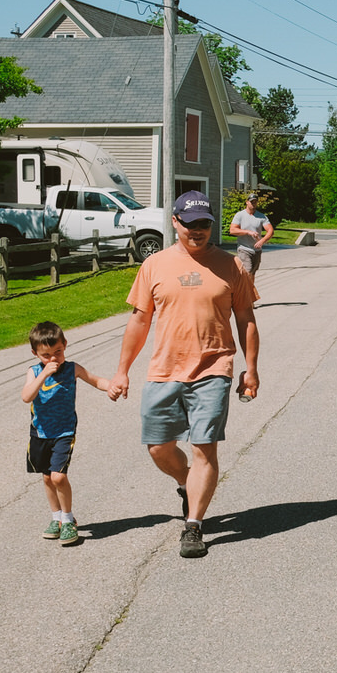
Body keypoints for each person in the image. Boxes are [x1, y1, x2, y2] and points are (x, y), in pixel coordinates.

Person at [107, 191, 260, 559]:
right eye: (190, 224)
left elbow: (246, 319)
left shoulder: (231, 266)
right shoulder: (155, 265)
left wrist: (251, 369)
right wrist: (122, 370)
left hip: (214, 368)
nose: (197, 231)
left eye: (204, 223)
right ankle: (185, 482)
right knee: (158, 447)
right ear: (175, 222)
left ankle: (193, 526)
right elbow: (140, 320)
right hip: (164, 369)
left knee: (204, 447)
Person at [21, 320, 111, 547]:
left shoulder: (72, 369)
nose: (53, 359)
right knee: (47, 477)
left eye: (58, 352)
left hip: (64, 431)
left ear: (65, 345)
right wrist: (43, 375)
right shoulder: (33, 372)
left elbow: (95, 380)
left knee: (58, 476)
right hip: (40, 433)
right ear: (35, 354)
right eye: (46, 355)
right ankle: (56, 518)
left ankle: (69, 519)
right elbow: (26, 396)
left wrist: (111, 387)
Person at [228, 193, 274, 278]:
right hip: (244, 249)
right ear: (247, 202)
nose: (253, 203)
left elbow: (270, 231)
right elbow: (232, 230)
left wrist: (262, 241)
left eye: (255, 202)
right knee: (247, 271)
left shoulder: (261, 217)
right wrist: (248, 232)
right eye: (251, 202)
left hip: (257, 250)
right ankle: (245, 290)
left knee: (252, 273)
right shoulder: (240, 215)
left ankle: (249, 291)